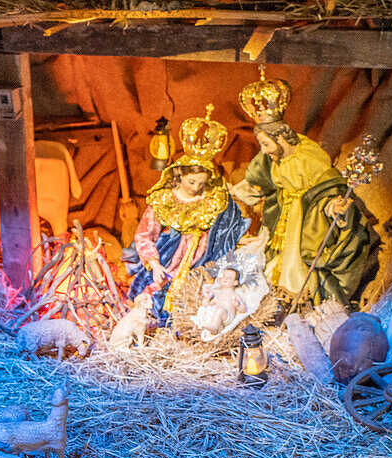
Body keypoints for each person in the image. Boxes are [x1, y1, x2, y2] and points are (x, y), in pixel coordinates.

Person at [235, 67, 375, 306]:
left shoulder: (308, 154)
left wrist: (332, 206)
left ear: (280, 138)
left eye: (266, 144)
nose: (265, 151)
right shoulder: (271, 160)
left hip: (308, 216)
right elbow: (260, 185)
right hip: (281, 214)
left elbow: (329, 186)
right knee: (273, 258)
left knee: (298, 262)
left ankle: (300, 299)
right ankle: (272, 298)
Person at [127, 106, 247, 323]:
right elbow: (144, 235)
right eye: (191, 182)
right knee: (154, 299)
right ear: (180, 175)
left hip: (201, 261)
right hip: (167, 259)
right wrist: (154, 263)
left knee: (201, 305)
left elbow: (227, 229)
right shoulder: (164, 199)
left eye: (201, 184)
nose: (195, 189)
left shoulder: (213, 199)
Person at [195, 266, 246, 337]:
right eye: (224, 276)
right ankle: (213, 325)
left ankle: (214, 328)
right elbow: (208, 305)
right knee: (207, 310)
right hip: (217, 314)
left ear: (235, 282)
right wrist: (207, 298)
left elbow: (243, 309)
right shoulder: (218, 295)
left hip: (227, 315)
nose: (225, 279)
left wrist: (238, 306)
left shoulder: (234, 295)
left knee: (220, 310)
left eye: (229, 278)